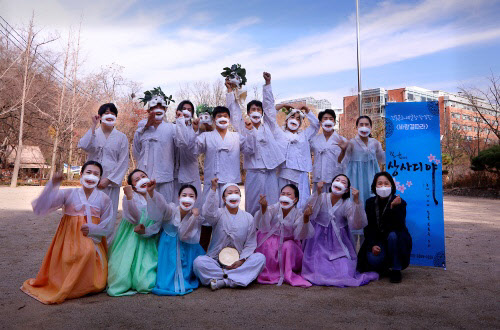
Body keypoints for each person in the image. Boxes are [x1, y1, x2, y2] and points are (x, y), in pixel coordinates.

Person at [21, 161, 114, 304]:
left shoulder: (104, 199)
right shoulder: (69, 193)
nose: (91, 176)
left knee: (87, 252)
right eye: (88, 172)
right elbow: (41, 207)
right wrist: (53, 185)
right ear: (81, 174)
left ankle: (87, 284)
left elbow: (108, 223)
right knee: (72, 257)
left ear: (100, 179)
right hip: (69, 239)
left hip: (92, 239)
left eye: (96, 174)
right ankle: (69, 283)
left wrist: (94, 229)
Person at [301, 175, 378, 287]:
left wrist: (356, 201)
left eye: (343, 182)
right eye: (337, 180)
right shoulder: (321, 197)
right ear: (332, 184)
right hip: (317, 242)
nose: (339, 183)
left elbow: (357, 224)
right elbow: (309, 213)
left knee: (345, 269)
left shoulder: (347, 203)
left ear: (346, 189)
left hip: (339, 244)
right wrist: (317, 192)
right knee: (317, 268)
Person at [225, 72, 285, 215]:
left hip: (270, 172)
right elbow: (234, 112)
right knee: (253, 206)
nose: (256, 112)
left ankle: (271, 236)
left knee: (272, 206)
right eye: (253, 109)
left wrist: (268, 84)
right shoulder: (243, 126)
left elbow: (270, 107)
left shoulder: (269, 126)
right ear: (248, 112)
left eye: (259, 110)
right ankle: (252, 234)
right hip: (253, 172)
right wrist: (229, 91)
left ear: (262, 113)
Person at [193, 178, 266, 290]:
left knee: (260, 258)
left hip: (239, 262)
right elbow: (207, 212)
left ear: (240, 197)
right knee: (199, 262)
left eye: (236, 193)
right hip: (216, 261)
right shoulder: (217, 214)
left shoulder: (248, 218)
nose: (233, 195)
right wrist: (213, 189)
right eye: (230, 193)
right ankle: (236, 278)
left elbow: (250, 243)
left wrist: (241, 260)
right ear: (223, 198)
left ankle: (223, 281)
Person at [135, 181, 205, 295]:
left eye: (191, 196)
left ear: (196, 199)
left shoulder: (195, 215)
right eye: (184, 195)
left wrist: (194, 217)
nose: (187, 199)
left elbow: (186, 235)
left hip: (187, 249)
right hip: (168, 248)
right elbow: (161, 207)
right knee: (166, 281)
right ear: (178, 197)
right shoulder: (171, 210)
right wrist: (152, 193)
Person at [176, 105, 254, 207]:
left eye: (225, 116)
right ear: (213, 119)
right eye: (219, 116)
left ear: (229, 119)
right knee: (209, 212)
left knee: (229, 212)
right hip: (212, 182)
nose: (222, 118)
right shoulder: (206, 136)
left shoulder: (237, 137)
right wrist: (195, 130)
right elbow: (192, 149)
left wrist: (250, 131)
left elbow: (250, 150)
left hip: (230, 182)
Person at [106, 169, 158, 296]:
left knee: (145, 282)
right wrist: (129, 197)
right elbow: (135, 218)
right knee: (121, 275)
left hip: (149, 240)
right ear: (133, 187)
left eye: (143, 176)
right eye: (137, 180)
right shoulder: (131, 197)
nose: (142, 180)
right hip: (131, 238)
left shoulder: (156, 196)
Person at [78, 103, 129, 229]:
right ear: (100, 116)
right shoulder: (94, 133)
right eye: (106, 113)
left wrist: (109, 180)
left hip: (110, 184)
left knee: (108, 218)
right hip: (92, 182)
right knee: (89, 214)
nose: (110, 116)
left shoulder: (121, 137)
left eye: (113, 114)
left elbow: (123, 162)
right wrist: (93, 125)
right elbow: (84, 145)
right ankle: (89, 247)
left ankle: (105, 247)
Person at [338, 115, 385, 248]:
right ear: (357, 127)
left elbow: (382, 159)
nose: (364, 127)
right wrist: (343, 149)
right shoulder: (351, 142)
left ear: (371, 127)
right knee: (354, 207)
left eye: (367, 124)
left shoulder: (375, 143)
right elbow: (343, 162)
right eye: (361, 124)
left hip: (371, 179)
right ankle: (351, 251)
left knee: (369, 208)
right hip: (355, 179)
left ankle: (366, 249)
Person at [357, 172, 412, 283]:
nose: (383, 186)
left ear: (391, 186)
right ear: (374, 186)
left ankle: (396, 269)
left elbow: (399, 226)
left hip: (395, 239)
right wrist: (373, 244)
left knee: (393, 235)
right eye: (380, 183)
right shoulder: (370, 202)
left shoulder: (400, 202)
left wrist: (393, 207)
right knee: (373, 260)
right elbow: (368, 227)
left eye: (386, 184)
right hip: (378, 241)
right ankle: (384, 266)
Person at [254, 184, 313, 287]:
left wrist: (306, 218)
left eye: (289, 194)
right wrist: (263, 208)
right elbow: (263, 225)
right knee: (267, 245)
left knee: (288, 246)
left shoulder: (298, 214)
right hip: (269, 240)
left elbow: (301, 234)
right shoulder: (273, 208)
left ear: (295, 200)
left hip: (288, 244)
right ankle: (268, 273)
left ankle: (287, 272)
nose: (285, 196)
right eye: (283, 194)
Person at [269, 94, 320, 210]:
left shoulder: (304, 135)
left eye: (298, 119)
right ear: (287, 120)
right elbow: (269, 117)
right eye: (292, 117)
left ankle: (300, 225)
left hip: (301, 174)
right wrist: (282, 106)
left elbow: (316, 125)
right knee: (284, 202)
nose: (295, 120)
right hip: (284, 173)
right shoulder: (279, 133)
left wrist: (306, 109)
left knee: (301, 203)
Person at [133, 89, 177, 203]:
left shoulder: (172, 129)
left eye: (161, 107)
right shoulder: (141, 130)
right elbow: (136, 152)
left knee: (165, 208)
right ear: (149, 110)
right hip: (145, 176)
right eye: (154, 108)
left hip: (165, 177)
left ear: (165, 110)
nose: (157, 110)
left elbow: (177, 153)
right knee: (144, 209)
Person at [173, 100, 202, 207]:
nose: (186, 111)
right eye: (184, 109)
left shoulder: (195, 129)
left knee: (193, 203)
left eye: (189, 110)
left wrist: (195, 131)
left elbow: (189, 147)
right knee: (177, 204)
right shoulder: (172, 127)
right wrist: (179, 122)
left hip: (190, 172)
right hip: (174, 174)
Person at [310, 109, 346, 193]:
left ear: (335, 122)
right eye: (325, 119)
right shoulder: (314, 140)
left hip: (335, 178)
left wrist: (343, 150)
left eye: (331, 119)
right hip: (319, 179)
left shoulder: (342, 140)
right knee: (318, 203)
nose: (328, 121)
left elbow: (344, 162)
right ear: (320, 123)